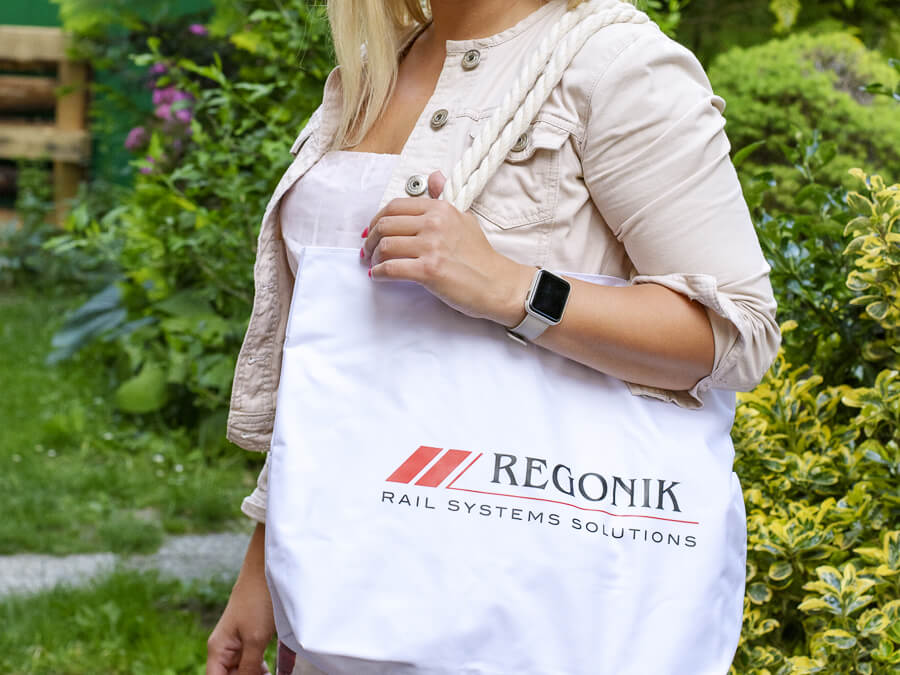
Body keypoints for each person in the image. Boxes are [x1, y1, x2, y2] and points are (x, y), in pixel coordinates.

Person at [206, 0, 781, 673]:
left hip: (522, 609)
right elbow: (339, 358)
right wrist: (264, 565)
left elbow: (736, 332)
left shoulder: (615, 65)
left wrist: (513, 289)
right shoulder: (374, 71)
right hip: (346, 590)